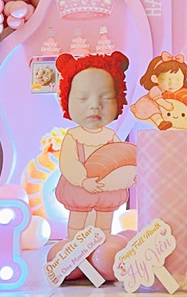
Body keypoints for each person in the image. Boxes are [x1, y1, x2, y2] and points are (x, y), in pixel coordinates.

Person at [54, 51, 136, 238]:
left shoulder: (111, 136)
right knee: (78, 220)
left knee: (104, 221)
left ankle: (104, 245)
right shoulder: (73, 137)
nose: (95, 105)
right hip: (79, 187)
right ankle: (75, 245)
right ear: (67, 101)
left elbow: (123, 158)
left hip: (108, 188)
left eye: (106, 97)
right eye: (83, 98)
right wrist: (82, 180)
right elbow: (69, 162)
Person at [131, 52, 187, 130]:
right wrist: (165, 104)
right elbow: (158, 99)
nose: (172, 83)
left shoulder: (177, 92)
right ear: (155, 79)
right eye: (167, 79)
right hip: (149, 105)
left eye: (177, 79)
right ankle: (160, 123)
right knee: (155, 114)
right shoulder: (156, 89)